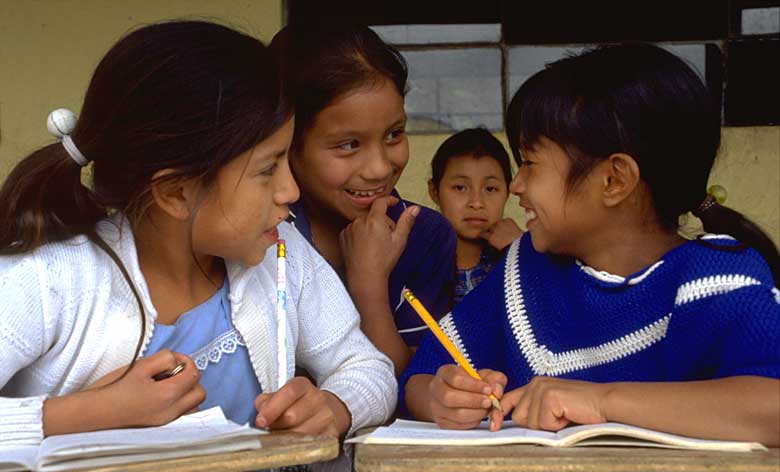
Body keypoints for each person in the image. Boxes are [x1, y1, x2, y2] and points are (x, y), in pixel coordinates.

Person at [0, 21, 396, 447]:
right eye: (268, 169)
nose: (291, 191)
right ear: (176, 193)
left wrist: (337, 406)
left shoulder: (282, 251)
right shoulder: (49, 279)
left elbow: (367, 367)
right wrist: (99, 411)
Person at [400, 43, 780, 446]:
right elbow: (418, 380)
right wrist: (441, 398)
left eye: (530, 163)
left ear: (614, 181)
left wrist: (601, 403)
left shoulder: (713, 278)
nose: (516, 186)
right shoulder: (524, 273)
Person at [270, 23, 457, 375]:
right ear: (289, 143)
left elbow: (412, 385)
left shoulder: (426, 237)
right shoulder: (264, 236)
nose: (379, 168)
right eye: (349, 144)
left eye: (394, 134)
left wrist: (369, 284)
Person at [428, 128, 523, 303]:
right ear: (434, 191)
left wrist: (523, 250)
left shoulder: (520, 256)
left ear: (508, 192)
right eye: (460, 188)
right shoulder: (419, 261)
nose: (477, 203)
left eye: (490, 189)